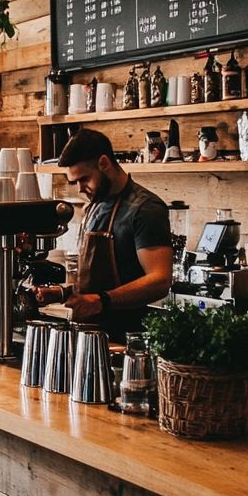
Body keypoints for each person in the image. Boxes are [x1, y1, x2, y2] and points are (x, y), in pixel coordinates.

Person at [35, 128, 173, 339]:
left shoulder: (146, 209)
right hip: (89, 335)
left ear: (104, 163)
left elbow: (160, 280)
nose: (80, 188)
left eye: (84, 179)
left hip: (126, 338)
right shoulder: (94, 206)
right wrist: (63, 292)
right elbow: (99, 282)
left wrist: (101, 301)